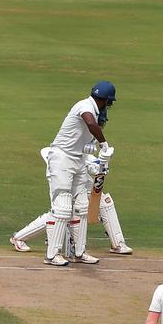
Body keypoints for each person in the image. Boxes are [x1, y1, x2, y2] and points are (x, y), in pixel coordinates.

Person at [37, 81, 116, 266]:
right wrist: (104, 143)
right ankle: (52, 255)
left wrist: (98, 157)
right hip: (62, 158)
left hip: (78, 160)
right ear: (107, 100)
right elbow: (89, 122)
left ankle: (78, 253)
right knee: (63, 207)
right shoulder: (85, 106)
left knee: (81, 206)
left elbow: (85, 139)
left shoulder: (96, 112)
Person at [9, 146, 133, 256]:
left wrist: (103, 162)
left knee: (105, 202)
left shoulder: (87, 140)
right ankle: (19, 238)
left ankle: (118, 244)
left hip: (80, 175)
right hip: (62, 175)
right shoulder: (69, 141)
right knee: (61, 213)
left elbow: (96, 170)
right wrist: (98, 165)